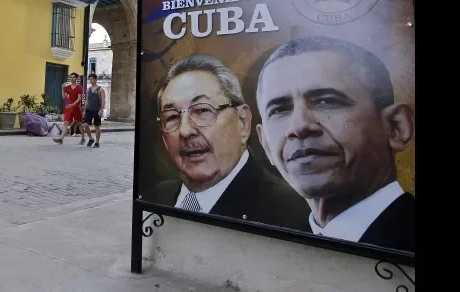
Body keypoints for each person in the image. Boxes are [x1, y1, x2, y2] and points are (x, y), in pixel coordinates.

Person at [255, 37, 415, 252]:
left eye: (326, 101)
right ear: (265, 144)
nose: (299, 126)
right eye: (279, 110)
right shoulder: (278, 248)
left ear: (396, 127)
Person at [148, 54, 309, 230]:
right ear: (164, 138)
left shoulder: (291, 211)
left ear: (243, 122)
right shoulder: (161, 195)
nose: (185, 131)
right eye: (171, 117)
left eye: (202, 110)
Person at [53, 73, 88, 145]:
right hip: (69, 107)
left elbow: (79, 99)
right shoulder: (68, 87)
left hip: (76, 107)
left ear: (76, 78)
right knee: (66, 123)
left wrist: (73, 105)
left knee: (79, 123)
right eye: (71, 77)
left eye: (74, 77)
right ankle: (61, 139)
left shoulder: (79, 87)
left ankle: (83, 138)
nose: (72, 79)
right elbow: (64, 97)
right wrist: (62, 89)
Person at [82, 73, 106, 148]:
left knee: (97, 126)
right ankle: (91, 138)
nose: (91, 80)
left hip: (97, 110)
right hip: (89, 109)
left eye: (92, 79)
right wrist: (84, 111)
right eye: (90, 79)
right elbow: (86, 100)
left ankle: (97, 142)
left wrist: (101, 110)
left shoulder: (100, 89)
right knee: (85, 125)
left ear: (96, 80)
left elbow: (103, 100)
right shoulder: (88, 89)